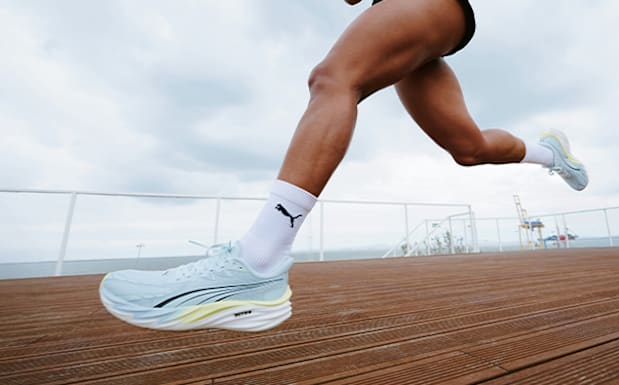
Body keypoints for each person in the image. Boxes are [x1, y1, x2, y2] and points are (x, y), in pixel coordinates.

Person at [99, 0, 588, 332]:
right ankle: (551, 153)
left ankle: (258, 261)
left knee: (333, 78)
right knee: (469, 147)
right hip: (429, 20)